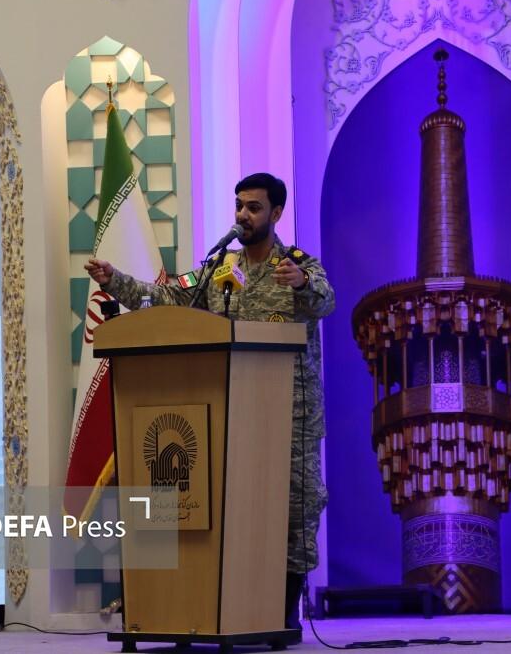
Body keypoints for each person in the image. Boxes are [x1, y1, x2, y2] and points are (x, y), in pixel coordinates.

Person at [85, 172, 335, 637]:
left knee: (296, 509)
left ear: (276, 213)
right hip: (231, 411)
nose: (243, 215)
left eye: (254, 207)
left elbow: (326, 301)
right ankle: (231, 608)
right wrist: (116, 281)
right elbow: (170, 296)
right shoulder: (220, 268)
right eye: (239, 205)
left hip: (292, 416)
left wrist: (302, 284)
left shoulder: (297, 265)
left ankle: (282, 610)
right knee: (233, 508)